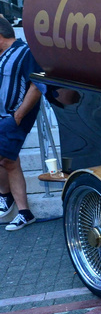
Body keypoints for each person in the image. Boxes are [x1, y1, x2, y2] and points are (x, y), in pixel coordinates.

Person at [0, 16, 42, 231]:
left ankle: (10, 201)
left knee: (7, 160)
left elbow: (36, 84)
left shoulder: (25, 52)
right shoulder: (2, 55)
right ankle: (20, 209)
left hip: (11, 118)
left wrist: (18, 115)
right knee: (9, 161)